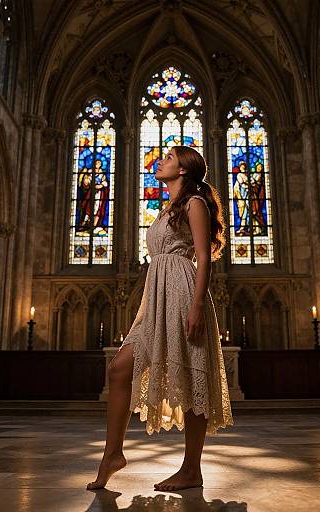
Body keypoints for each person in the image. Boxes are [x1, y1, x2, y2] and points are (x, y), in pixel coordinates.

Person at [86, 146, 233, 492]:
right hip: (156, 297)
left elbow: (202, 256)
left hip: (182, 293)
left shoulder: (194, 203)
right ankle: (113, 454)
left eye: (168, 157)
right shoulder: (168, 208)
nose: (160, 161)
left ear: (183, 170)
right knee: (119, 369)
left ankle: (191, 469)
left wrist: (197, 305)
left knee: (191, 372)